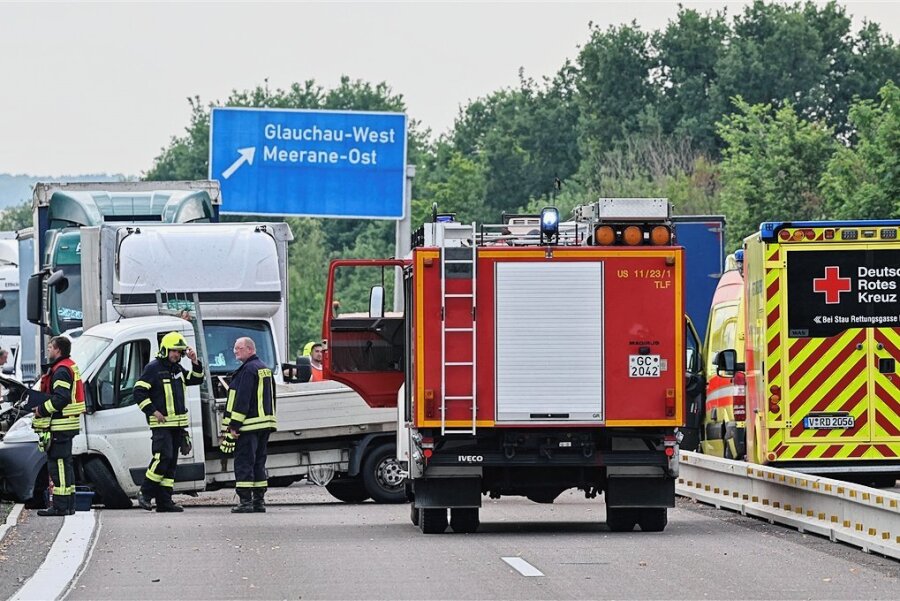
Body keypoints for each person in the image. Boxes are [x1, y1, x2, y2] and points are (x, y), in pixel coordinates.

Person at [134, 331, 204, 512]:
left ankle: (164, 501)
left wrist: (194, 361)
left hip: (177, 425)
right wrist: (153, 411)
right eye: (174, 351)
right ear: (165, 349)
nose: (177, 355)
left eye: (179, 352)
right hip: (162, 425)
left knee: (171, 462)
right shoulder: (153, 368)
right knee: (162, 458)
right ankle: (145, 493)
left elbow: (196, 379)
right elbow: (139, 392)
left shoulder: (177, 369)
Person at [23, 336, 85, 516]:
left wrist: (41, 410)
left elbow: (61, 398)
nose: (48, 350)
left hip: (60, 425)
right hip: (66, 424)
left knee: (58, 465)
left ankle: (60, 506)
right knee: (65, 465)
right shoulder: (67, 366)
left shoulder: (61, 370)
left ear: (57, 350)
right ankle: (69, 505)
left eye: (50, 347)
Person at [219, 337, 277, 513]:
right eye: (234, 348)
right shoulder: (264, 369)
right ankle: (259, 501)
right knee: (259, 463)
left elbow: (242, 399)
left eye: (239, 348)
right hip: (264, 425)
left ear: (250, 349)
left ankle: (245, 502)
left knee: (244, 463)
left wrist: (234, 425)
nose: (235, 351)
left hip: (249, 426)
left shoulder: (248, 370)